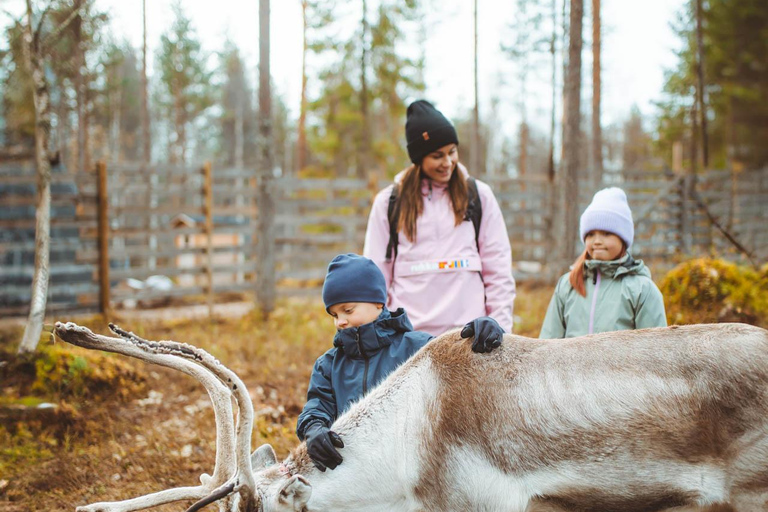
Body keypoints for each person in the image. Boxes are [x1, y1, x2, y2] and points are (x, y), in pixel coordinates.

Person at [296, 253, 505, 472]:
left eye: (348, 310)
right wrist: (313, 427)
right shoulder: (328, 365)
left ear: (377, 303)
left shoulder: (418, 348)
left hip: (415, 469)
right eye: (334, 314)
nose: (340, 321)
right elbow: (318, 405)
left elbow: (461, 368)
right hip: (353, 475)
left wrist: (484, 332)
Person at [363, 100, 516, 336]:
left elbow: (498, 269)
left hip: (470, 339)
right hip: (408, 340)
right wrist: (382, 334)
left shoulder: (478, 196)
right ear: (419, 158)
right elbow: (375, 277)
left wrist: (499, 328)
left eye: (452, 152)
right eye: (437, 155)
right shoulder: (389, 203)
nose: (448, 163)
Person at [539, 187, 667, 339]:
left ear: (623, 239)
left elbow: (654, 349)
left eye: (606, 234)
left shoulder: (642, 289)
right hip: (572, 364)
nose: (597, 241)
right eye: (591, 234)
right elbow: (548, 342)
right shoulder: (568, 284)